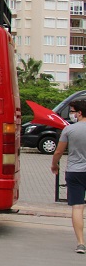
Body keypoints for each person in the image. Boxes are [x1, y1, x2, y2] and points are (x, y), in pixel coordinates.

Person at [51, 98, 86, 253]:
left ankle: (80, 243)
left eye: (72, 111)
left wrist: (54, 164)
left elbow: (58, 151)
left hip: (75, 171)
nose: (71, 114)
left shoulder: (69, 130)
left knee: (78, 207)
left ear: (79, 113)